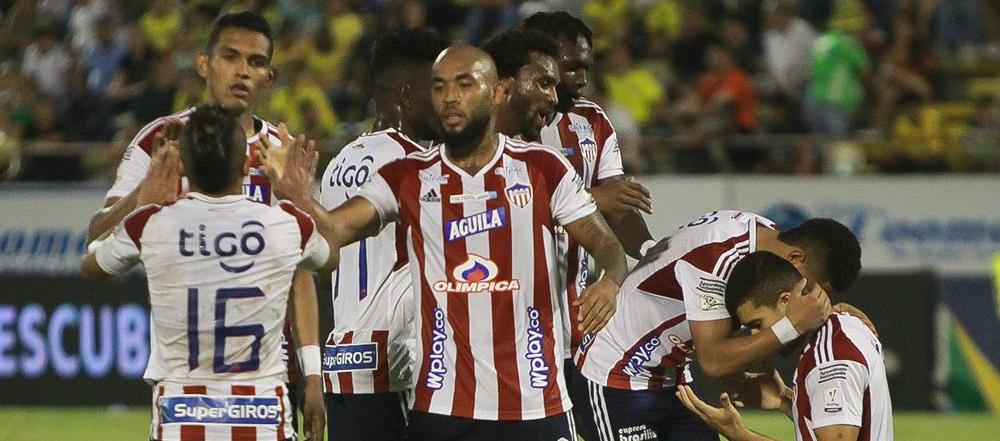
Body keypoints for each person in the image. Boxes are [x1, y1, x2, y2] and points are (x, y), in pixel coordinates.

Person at [260, 44, 628, 440]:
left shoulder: (542, 168)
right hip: (443, 410)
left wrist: (610, 282)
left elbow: (608, 246)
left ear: (496, 92)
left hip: (536, 404)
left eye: (464, 84)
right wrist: (300, 197)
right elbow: (334, 230)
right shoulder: (407, 176)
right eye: (439, 87)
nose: (450, 96)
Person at [84, 11, 324, 436]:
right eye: (230, 57)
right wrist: (141, 197)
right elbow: (97, 233)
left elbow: (301, 273)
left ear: (269, 77)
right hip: (189, 374)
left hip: (269, 372)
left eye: (255, 62)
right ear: (203, 64)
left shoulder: (280, 153)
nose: (242, 71)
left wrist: (313, 374)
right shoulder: (160, 140)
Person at [573, 211, 866, 440]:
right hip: (616, 372)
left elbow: (770, 328)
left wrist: (829, 319)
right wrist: (796, 323)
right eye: (811, 289)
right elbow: (713, 361)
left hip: (673, 376)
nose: (809, 298)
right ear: (797, 258)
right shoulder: (717, 256)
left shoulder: (766, 241)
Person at [522, 10, 655, 420]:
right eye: (570, 67)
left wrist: (653, 254)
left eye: (586, 67)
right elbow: (507, 206)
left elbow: (619, 207)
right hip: (519, 321)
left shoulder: (592, 121)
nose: (580, 79)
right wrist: (597, 197)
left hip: (581, 321)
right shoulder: (503, 122)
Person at [318, 28, 449, 441]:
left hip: (342, 361)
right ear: (407, 95)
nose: (447, 102)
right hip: (395, 364)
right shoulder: (416, 165)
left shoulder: (339, 162)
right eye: (437, 88)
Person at [677, 251, 893, 441]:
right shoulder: (845, 324)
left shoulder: (831, 359)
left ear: (786, 300)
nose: (755, 336)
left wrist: (738, 434)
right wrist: (784, 399)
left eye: (757, 324)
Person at [481, 28, 560, 143]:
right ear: (505, 88)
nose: (554, 99)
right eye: (544, 84)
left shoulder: (534, 152)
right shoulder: (456, 147)